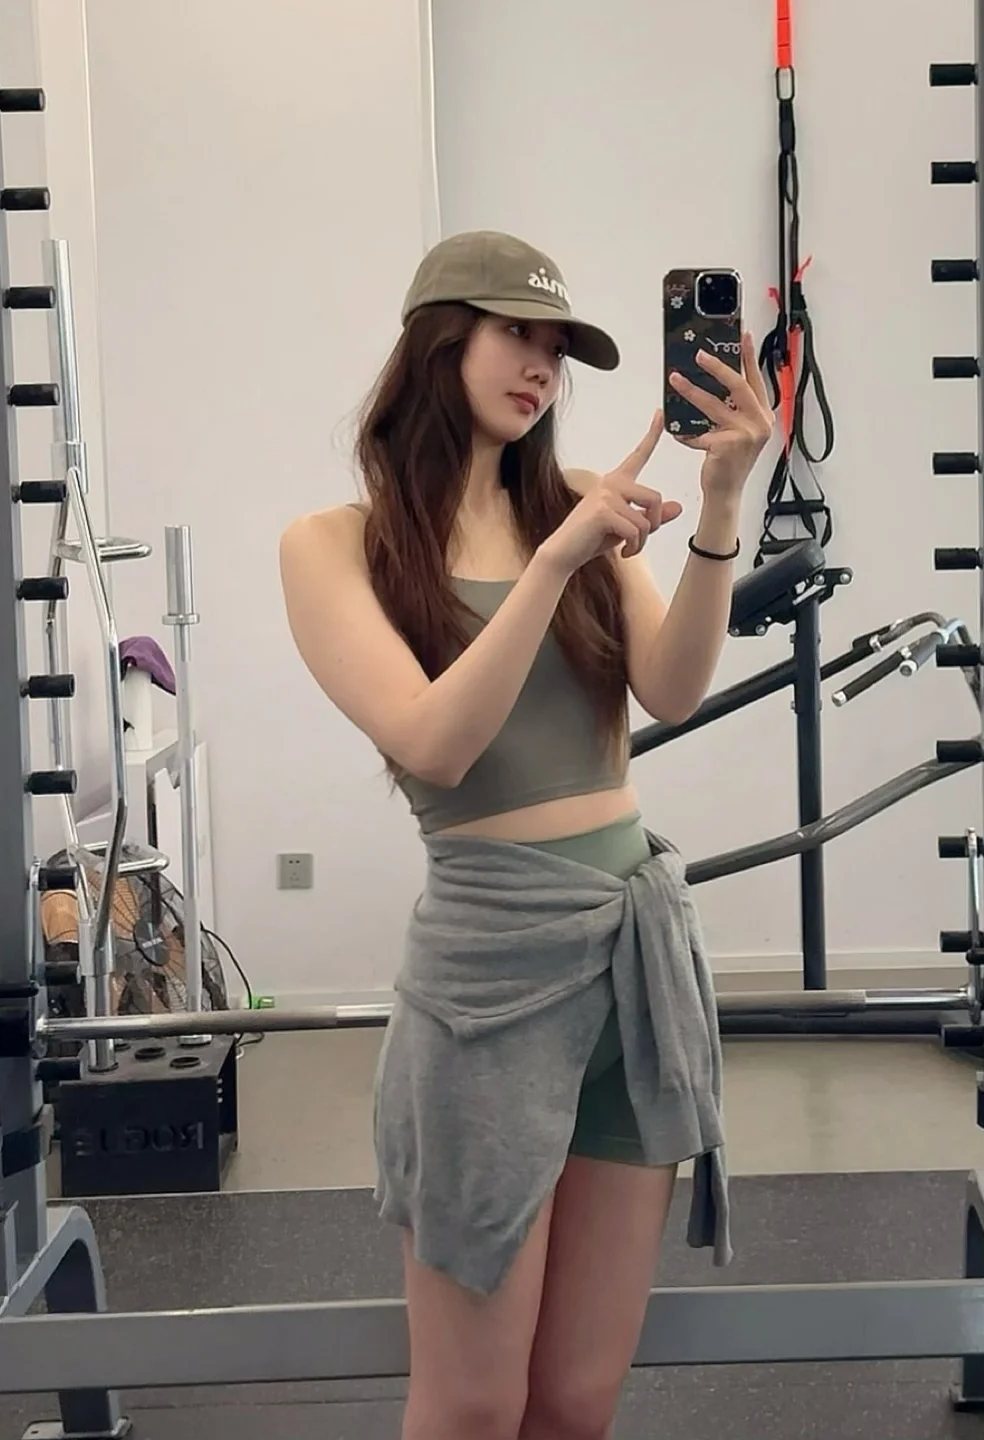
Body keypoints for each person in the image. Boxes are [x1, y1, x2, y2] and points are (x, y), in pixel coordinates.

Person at [280, 230, 773, 1440]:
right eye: (517, 335)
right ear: (440, 342)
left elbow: (671, 689)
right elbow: (433, 745)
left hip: (633, 968)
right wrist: (554, 563)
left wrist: (719, 504)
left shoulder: (573, 510)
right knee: (473, 1403)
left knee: (575, 1400)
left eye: (557, 348)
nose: (542, 367)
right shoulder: (335, 544)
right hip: (490, 977)